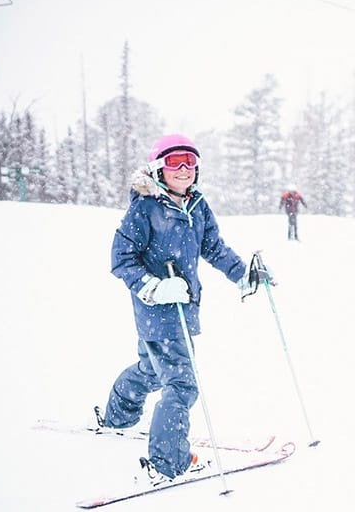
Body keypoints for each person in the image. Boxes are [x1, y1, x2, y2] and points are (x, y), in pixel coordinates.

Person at [96, 134, 267, 485]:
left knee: (152, 370)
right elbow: (121, 259)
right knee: (181, 385)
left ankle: (117, 415)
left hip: (184, 308)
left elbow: (214, 247)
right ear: (160, 168)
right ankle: (168, 462)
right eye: (175, 162)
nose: (184, 169)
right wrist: (154, 287)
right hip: (157, 310)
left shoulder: (197, 205)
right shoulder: (145, 208)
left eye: (190, 162)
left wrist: (242, 275)